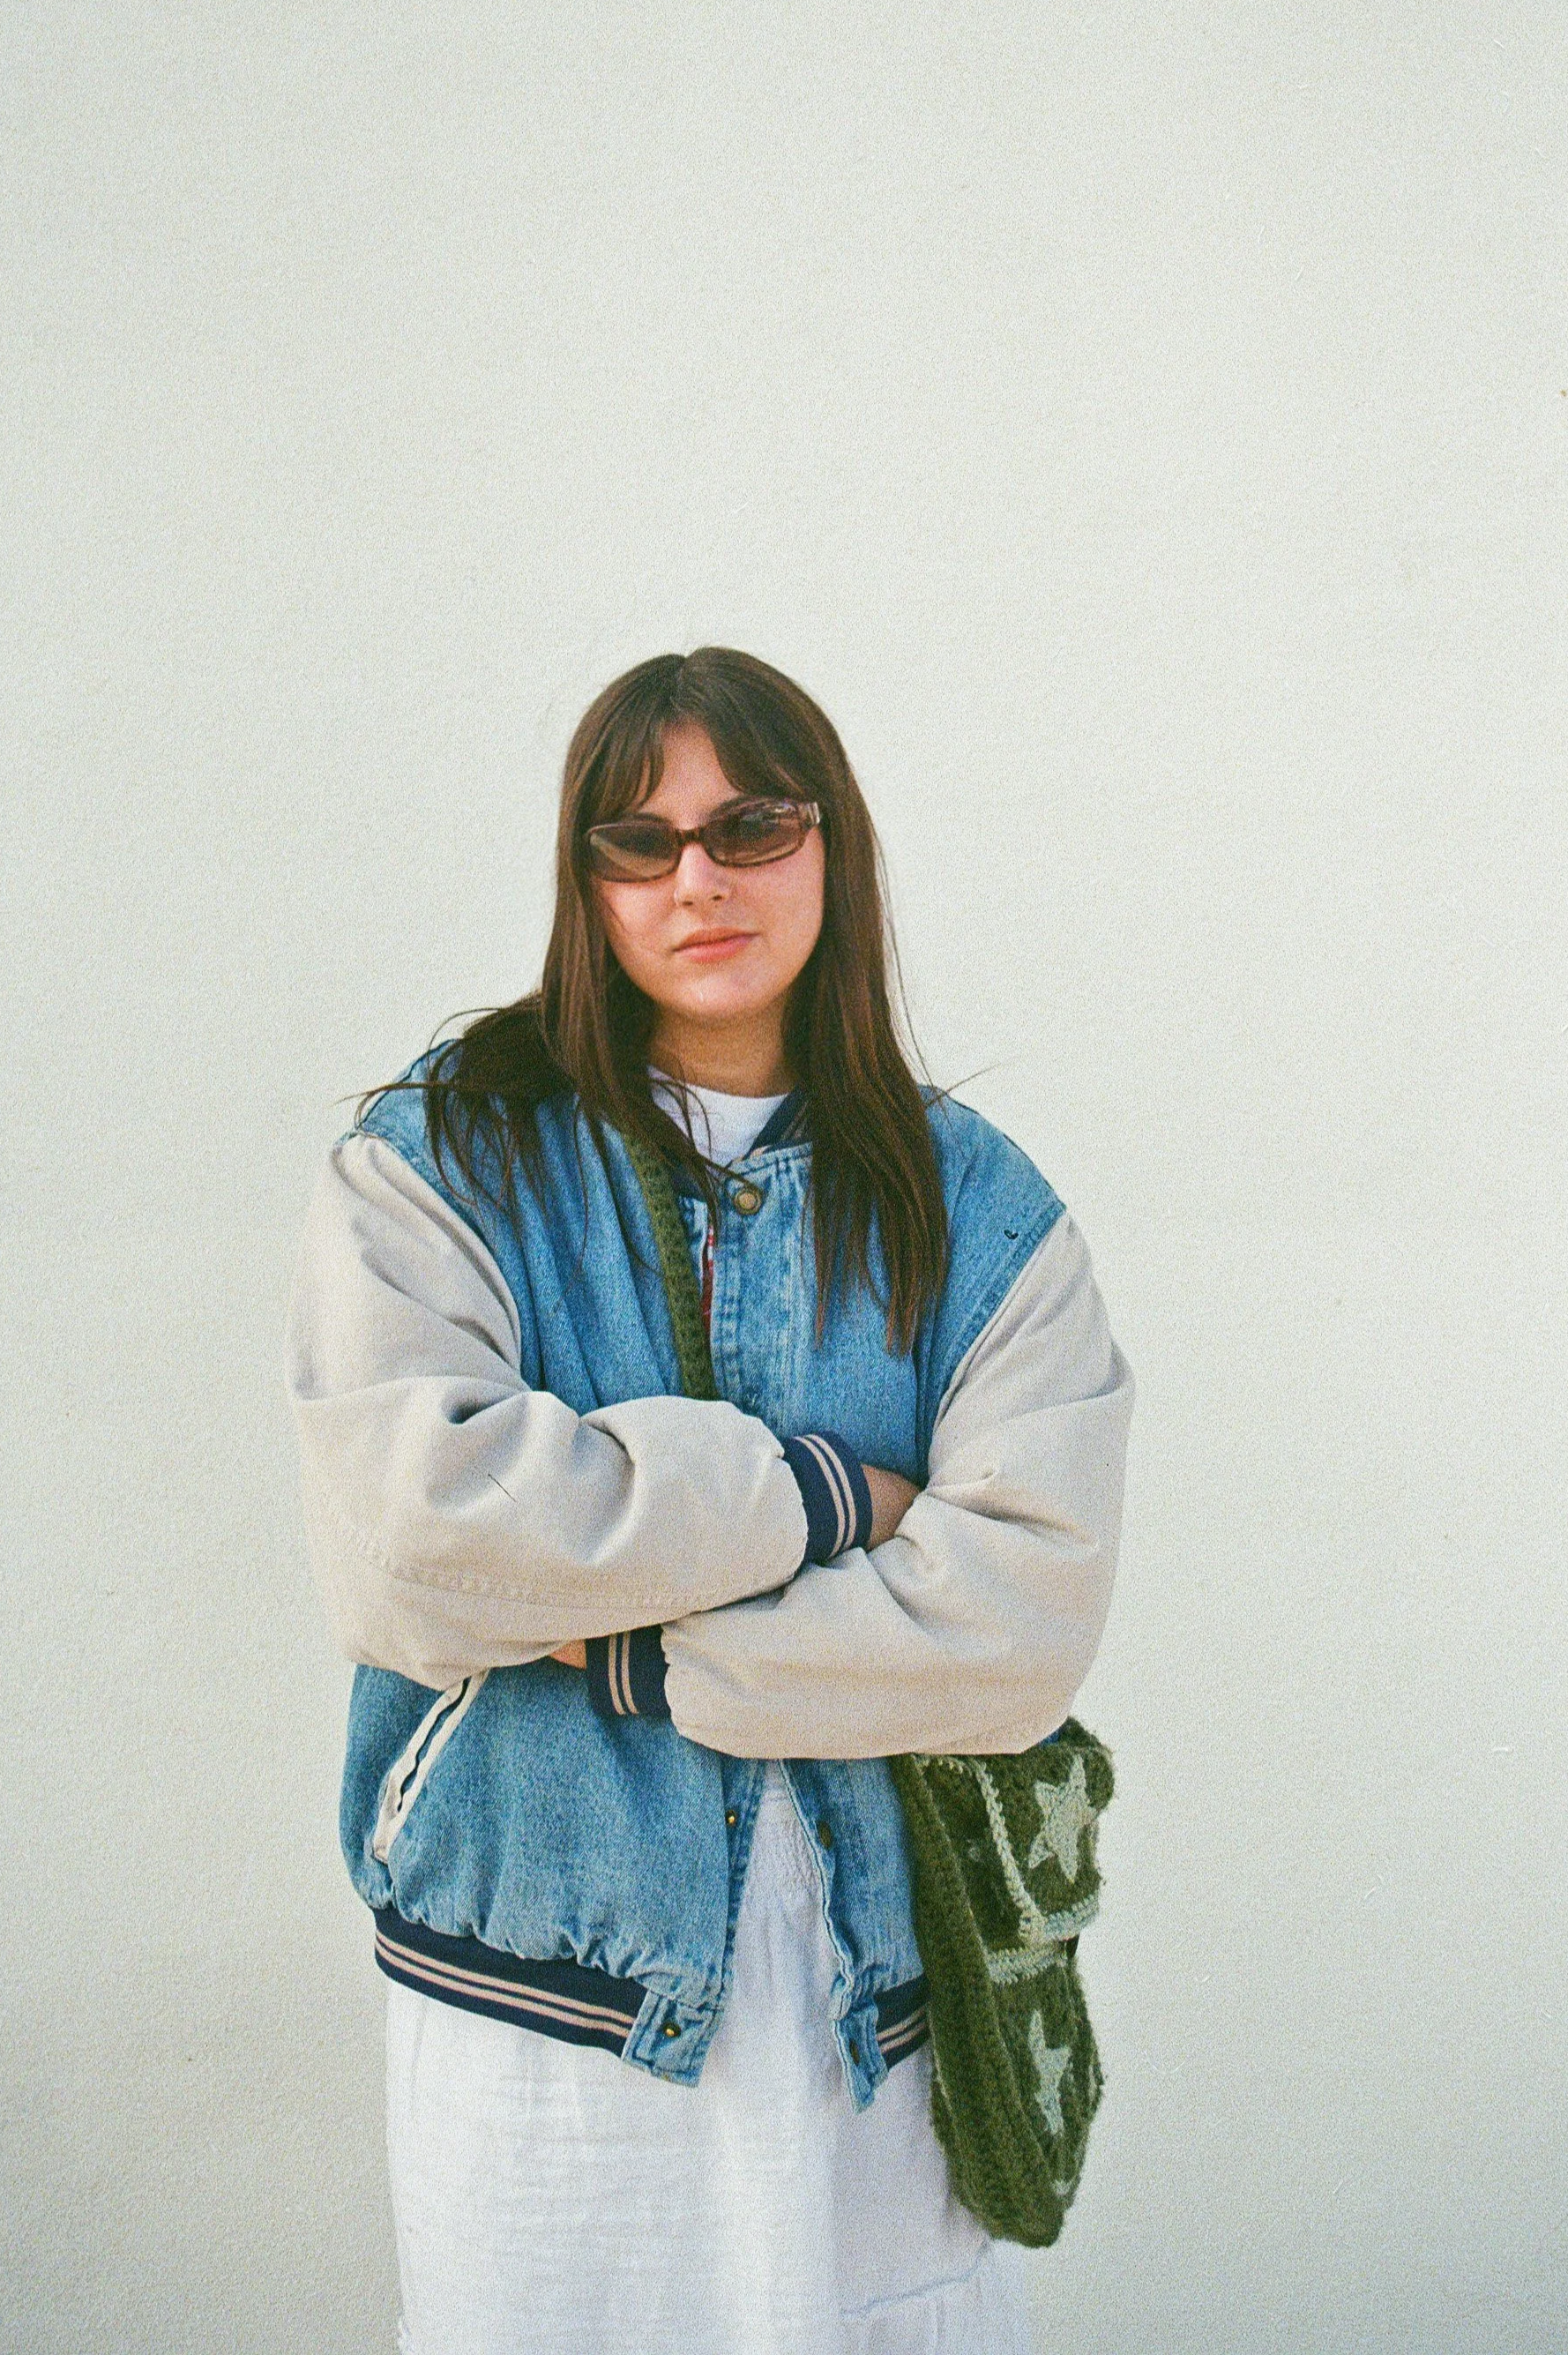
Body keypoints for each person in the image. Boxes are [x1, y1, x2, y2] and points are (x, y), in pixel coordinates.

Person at [283, 647, 1133, 2354]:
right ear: (582, 880)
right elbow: (409, 1544)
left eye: (748, 823)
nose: (697, 878)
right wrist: (824, 1495)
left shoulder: (978, 1209)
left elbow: (1015, 1631)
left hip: (873, 2016)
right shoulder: (443, 1156)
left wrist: (613, 1651)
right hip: (538, 2009)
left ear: (831, 847)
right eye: (636, 838)